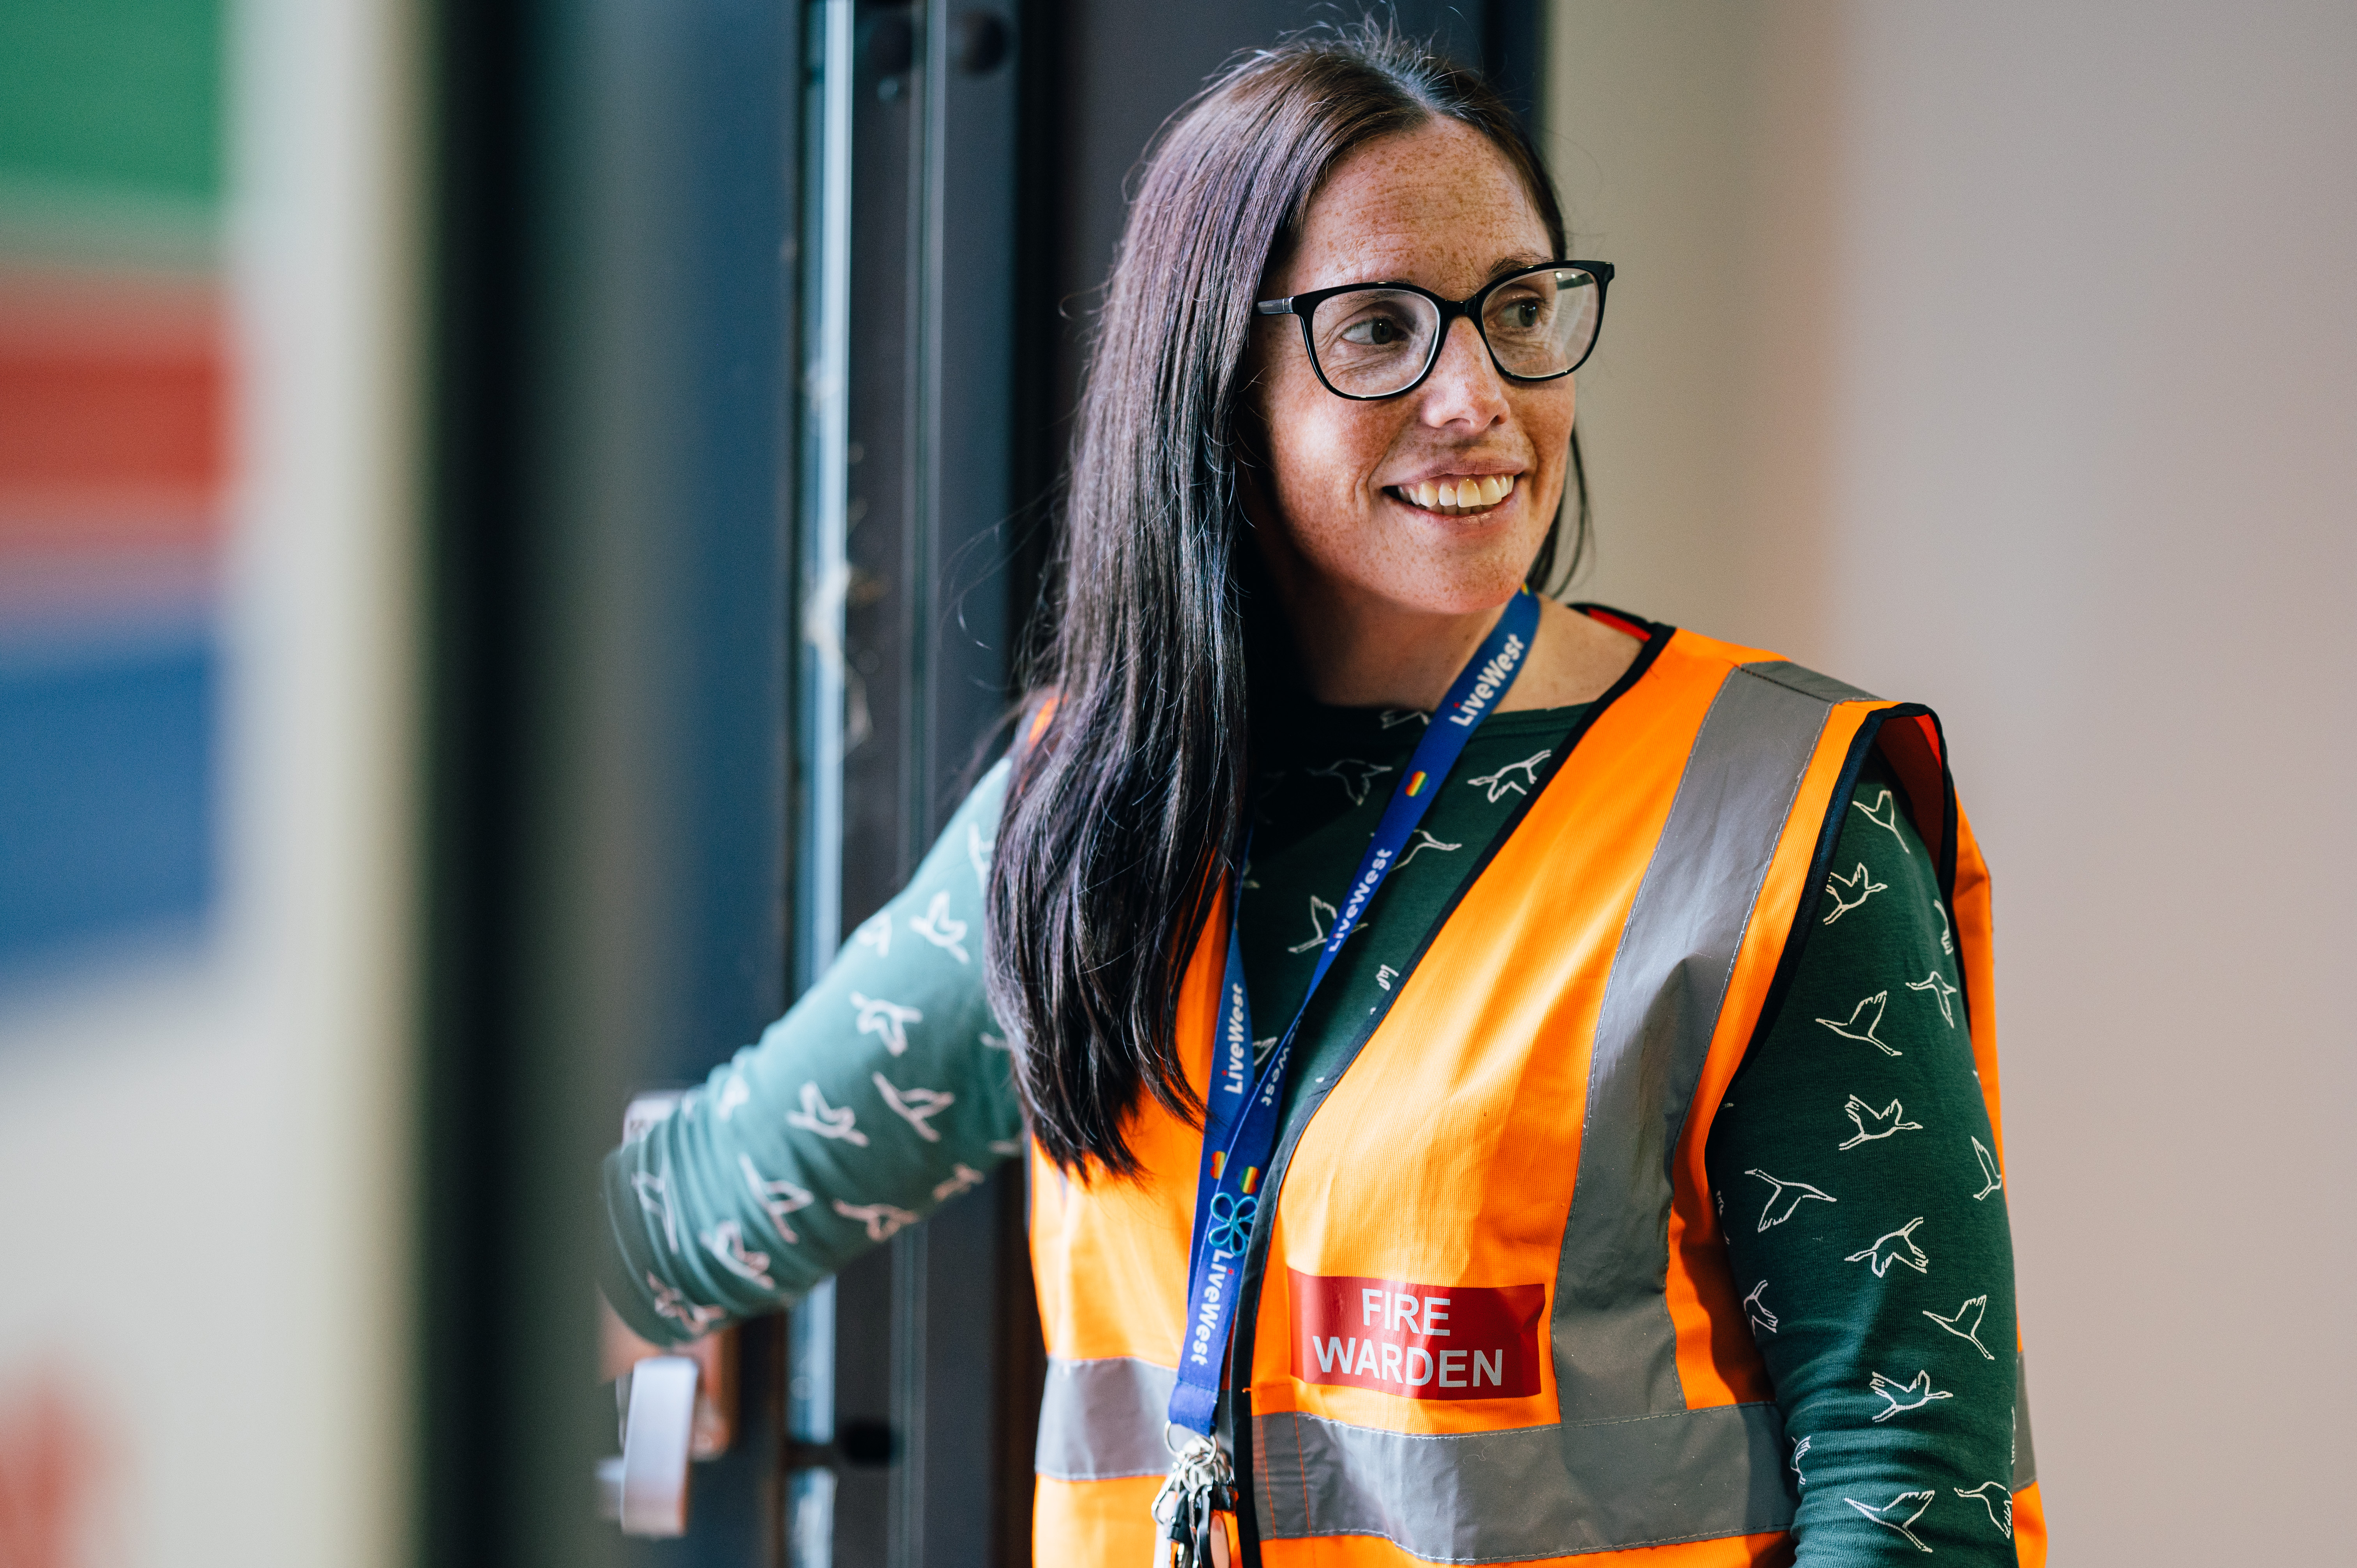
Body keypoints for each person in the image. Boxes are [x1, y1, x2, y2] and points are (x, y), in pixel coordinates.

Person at [602, 25, 2043, 1566]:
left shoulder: (1771, 815)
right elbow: (681, 1213)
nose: (1478, 395)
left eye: (1517, 309)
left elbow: (1914, 1471)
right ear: (1214, 381)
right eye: (1380, 331)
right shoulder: (1083, 817)